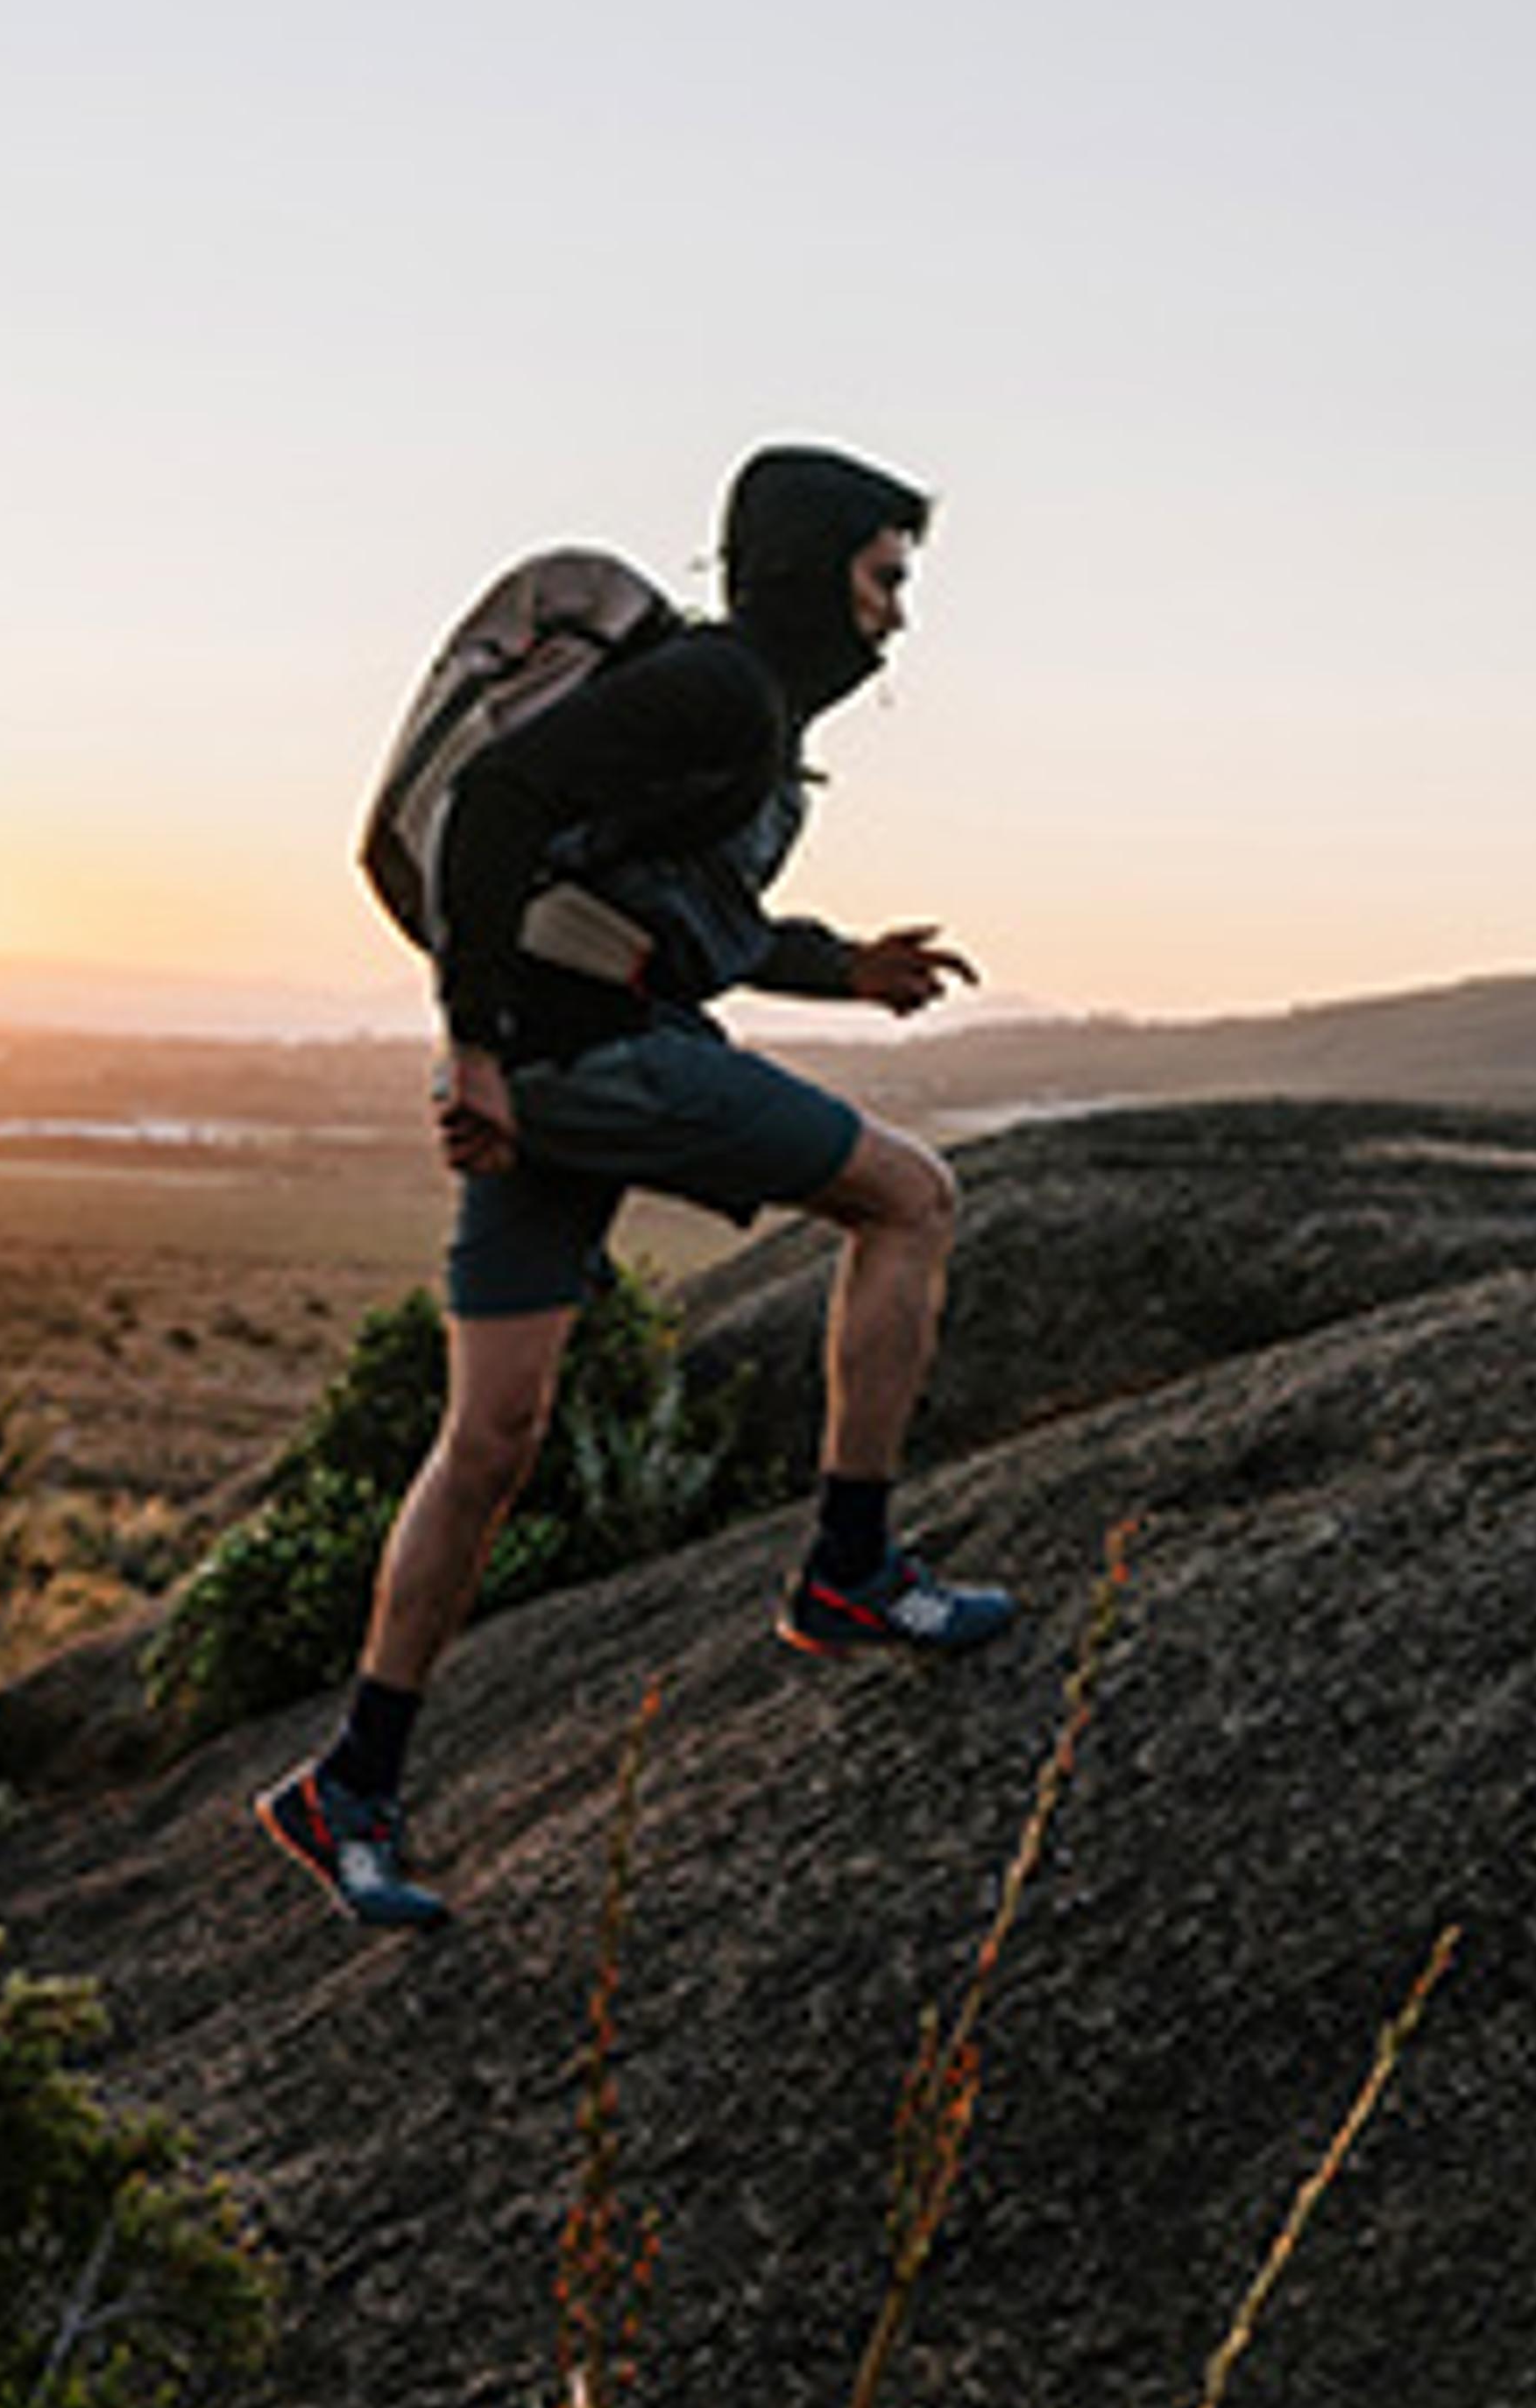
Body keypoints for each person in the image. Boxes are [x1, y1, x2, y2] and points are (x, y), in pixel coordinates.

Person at [257, 441, 1011, 1930]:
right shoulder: (721, 689)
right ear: (811, 573)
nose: (896, 619)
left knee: (491, 1438)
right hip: (587, 1062)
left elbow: (678, 909)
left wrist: (840, 966)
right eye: (884, 579)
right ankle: (852, 1568)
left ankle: (350, 1783)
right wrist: (468, 1042)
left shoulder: (745, 713)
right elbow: (499, 811)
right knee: (912, 1200)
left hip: (561, 1061)